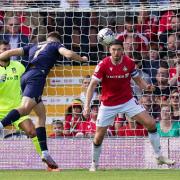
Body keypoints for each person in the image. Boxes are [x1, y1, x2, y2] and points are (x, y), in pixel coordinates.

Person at [83, 40, 175, 171]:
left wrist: (147, 87)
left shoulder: (129, 63)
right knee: (98, 137)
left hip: (127, 101)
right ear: (109, 50)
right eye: (113, 49)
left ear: (123, 50)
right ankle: (94, 164)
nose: (116, 52)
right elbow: (92, 85)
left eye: (119, 49)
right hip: (108, 104)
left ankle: (159, 156)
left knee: (151, 123)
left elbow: (139, 81)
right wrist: (86, 106)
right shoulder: (103, 65)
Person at [0, 31, 87, 169]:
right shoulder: (55, 44)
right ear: (58, 41)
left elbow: (8, 53)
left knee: (41, 114)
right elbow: (69, 54)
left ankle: (45, 152)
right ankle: (1, 124)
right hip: (37, 77)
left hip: (25, 76)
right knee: (24, 109)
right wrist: (82, 59)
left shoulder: (34, 45)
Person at [0, 40, 50, 170]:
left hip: (17, 108)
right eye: (3, 49)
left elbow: (29, 82)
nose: (6, 51)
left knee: (32, 131)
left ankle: (48, 164)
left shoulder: (19, 66)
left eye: (8, 49)